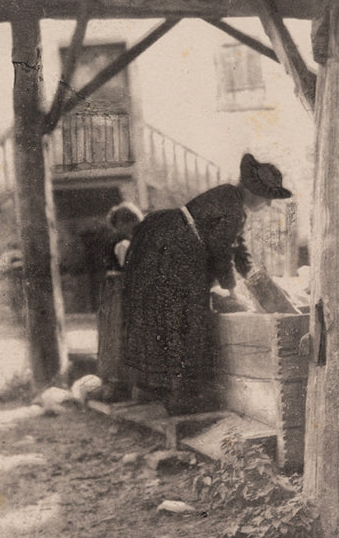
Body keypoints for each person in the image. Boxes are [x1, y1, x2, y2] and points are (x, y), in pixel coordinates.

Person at [122, 153, 292, 415]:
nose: (268, 204)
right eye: (267, 196)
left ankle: (169, 390)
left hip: (170, 246)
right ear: (254, 191)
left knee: (171, 319)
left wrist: (253, 276)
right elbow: (221, 249)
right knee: (185, 320)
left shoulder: (232, 200)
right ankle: (181, 398)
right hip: (174, 253)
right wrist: (231, 289)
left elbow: (236, 246)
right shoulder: (233, 206)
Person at [96, 202, 144, 402]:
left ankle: (115, 384)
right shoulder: (123, 243)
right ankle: (122, 384)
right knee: (122, 336)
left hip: (112, 291)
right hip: (121, 291)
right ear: (125, 223)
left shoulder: (114, 239)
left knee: (114, 336)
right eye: (135, 224)